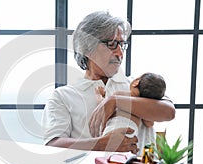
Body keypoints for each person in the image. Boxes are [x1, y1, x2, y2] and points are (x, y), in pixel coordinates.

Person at [41, 11, 175, 154]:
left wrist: (114, 101)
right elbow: (53, 144)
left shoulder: (138, 86)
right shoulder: (63, 96)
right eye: (112, 44)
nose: (120, 53)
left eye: (121, 44)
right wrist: (101, 144)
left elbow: (169, 112)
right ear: (87, 49)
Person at [97, 72, 166, 140]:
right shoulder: (144, 108)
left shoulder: (119, 95)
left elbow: (104, 107)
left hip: (113, 128)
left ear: (136, 83)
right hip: (130, 134)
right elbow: (149, 124)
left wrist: (101, 96)